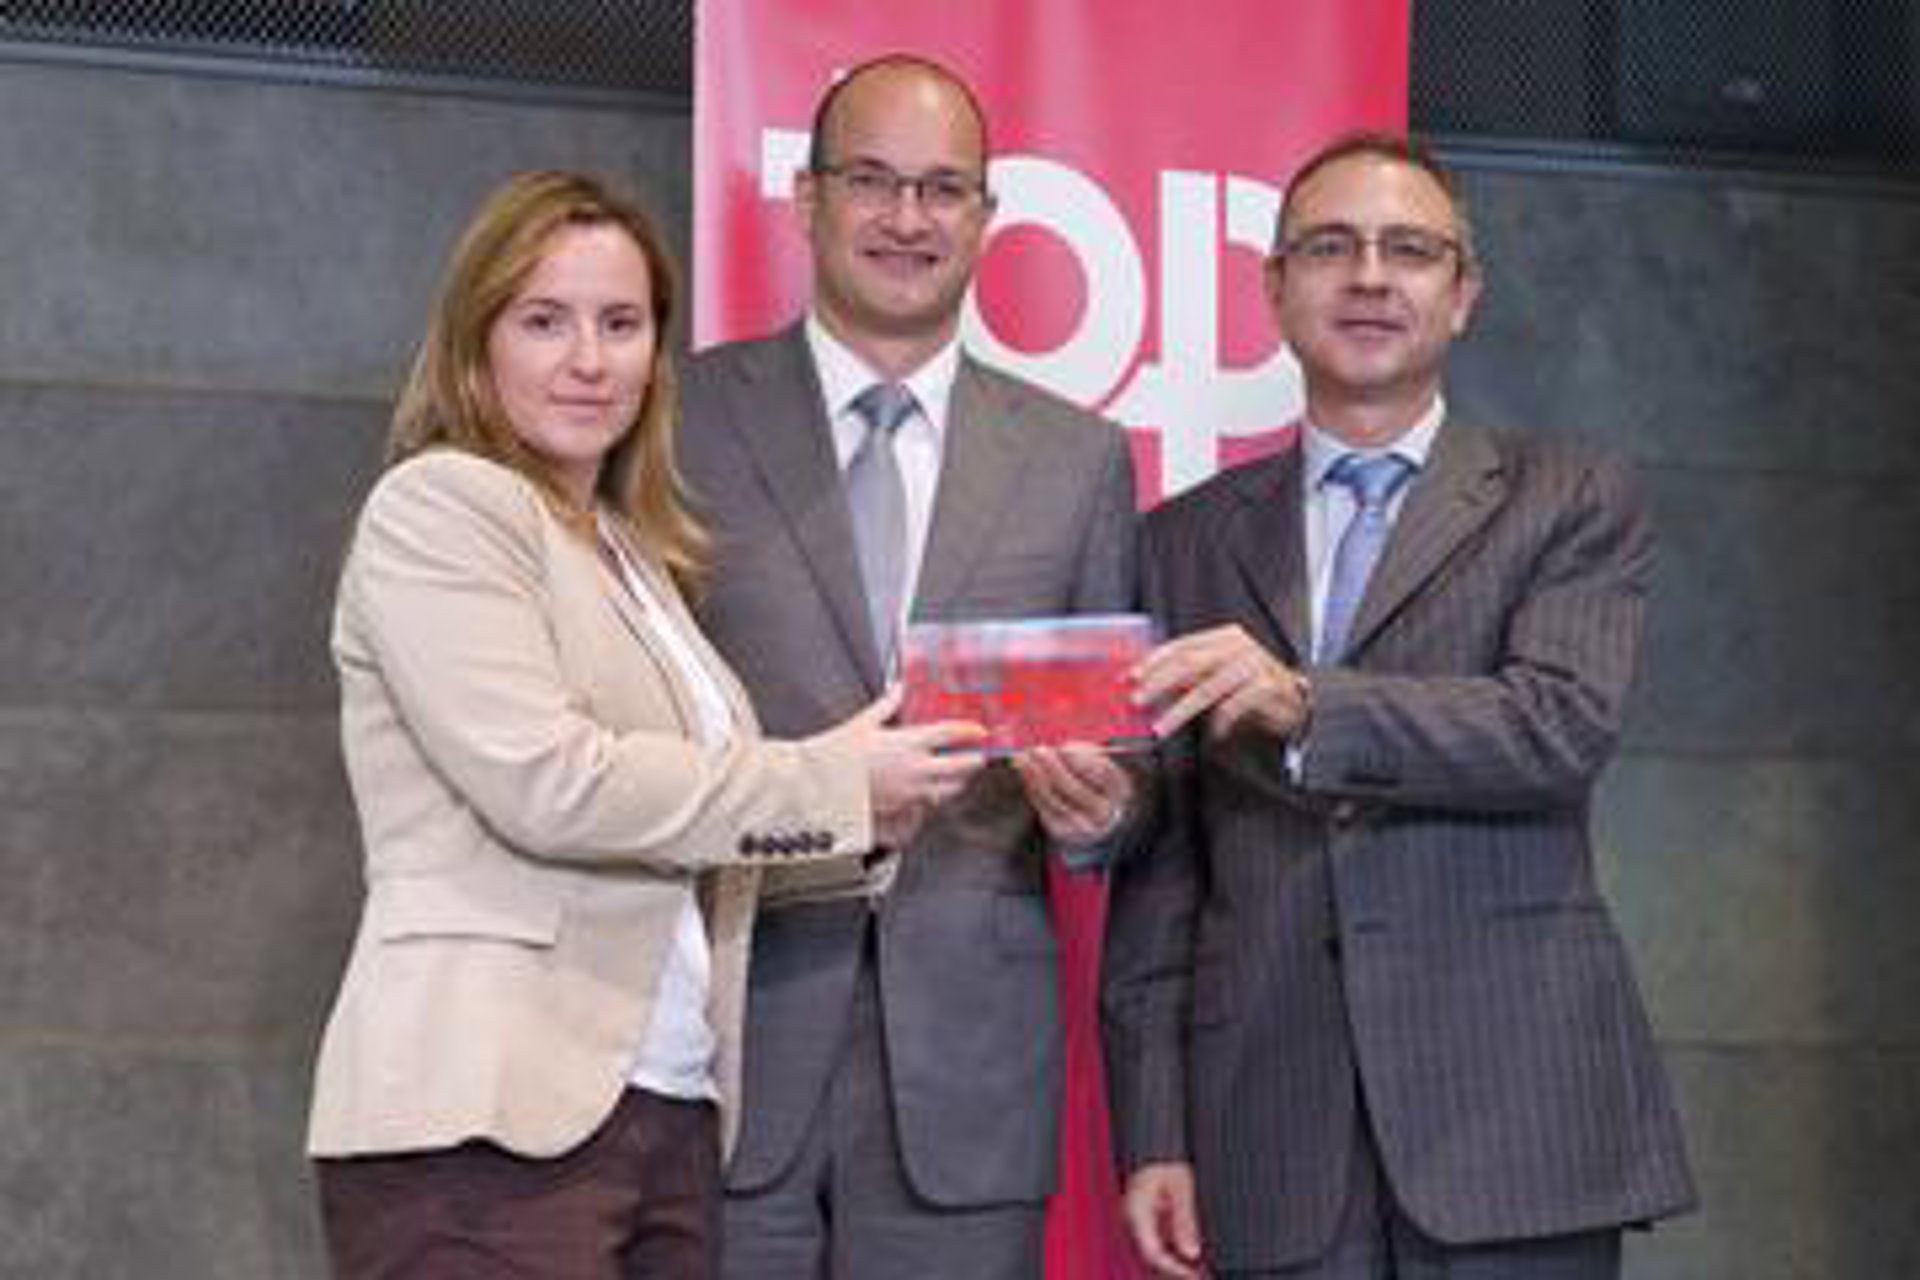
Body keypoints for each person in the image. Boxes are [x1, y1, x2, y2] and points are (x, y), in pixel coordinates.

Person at [305, 170, 984, 1278]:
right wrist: (831, 781)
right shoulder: (441, 505)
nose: (589, 359)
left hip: (664, 1105)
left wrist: (873, 815)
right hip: (485, 1119)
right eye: (544, 321)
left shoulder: (630, 552)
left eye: (621, 324)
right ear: (476, 342)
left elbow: (674, 844)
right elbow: (552, 782)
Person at [1103, 133, 1696, 1279]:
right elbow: (1166, 872)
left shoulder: (1570, 496)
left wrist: (1305, 704)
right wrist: (1156, 1128)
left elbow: (1556, 725)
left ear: (1462, 294)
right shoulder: (1181, 539)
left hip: (1516, 1121)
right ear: (1275, 287)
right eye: (1331, 247)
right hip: (1270, 1129)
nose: (1370, 276)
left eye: (1410, 250)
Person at [677, 54, 1141, 1280]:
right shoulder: (678, 421)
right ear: (807, 197)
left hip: (969, 1074)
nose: (907, 217)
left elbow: (1127, 767)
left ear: (986, 216)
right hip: (725, 1044)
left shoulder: (1080, 459)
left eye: (943, 188)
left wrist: (1101, 814)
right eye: (872, 180)